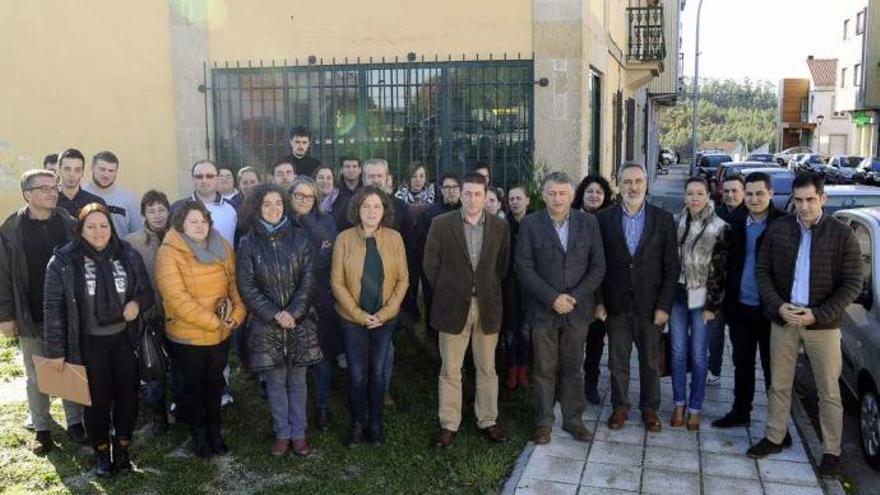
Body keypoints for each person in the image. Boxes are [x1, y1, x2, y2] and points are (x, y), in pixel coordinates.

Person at [747, 174, 861, 479]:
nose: (804, 206)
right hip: (784, 319)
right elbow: (762, 271)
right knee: (779, 384)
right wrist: (777, 306)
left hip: (822, 325)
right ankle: (774, 437)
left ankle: (831, 452)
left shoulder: (841, 235)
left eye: (810, 199)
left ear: (823, 199)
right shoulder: (779, 228)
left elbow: (852, 283)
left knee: (828, 391)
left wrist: (819, 314)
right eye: (798, 200)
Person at [44, 203, 154, 477]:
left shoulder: (127, 254)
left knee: (128, 399)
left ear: (111, 227)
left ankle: (123, 449)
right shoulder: (64, 261)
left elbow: (146, 291)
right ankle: (102, 454)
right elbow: (53, 308)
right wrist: (56, 351)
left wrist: (137, 304)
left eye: (103, 225)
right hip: (88, 346)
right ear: (80, 229)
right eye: (91, 226)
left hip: (124, 342)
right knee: (95, 402)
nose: (98, 231)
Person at [0, 170, 85, 454]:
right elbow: (2, 276)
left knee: (68, 365)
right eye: (45, 188)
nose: (53, 192)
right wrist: (6, 316)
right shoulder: (10, 229)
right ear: (28, 194)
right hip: (30, 311)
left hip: (66, 312)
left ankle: (75, 423)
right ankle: (42, 428)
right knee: (36, 375)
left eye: (54, 187)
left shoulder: (69, 223)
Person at [517, 172, 606, 444]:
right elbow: (524, 267)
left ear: (571, 196)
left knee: (573, 368)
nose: (557, 198)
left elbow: (598, 266)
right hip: (544, 310)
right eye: (552, 193)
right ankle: (544, 422)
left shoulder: (588, 223)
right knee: (544, 369)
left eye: (562, 193)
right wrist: (552, 298)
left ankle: (573, 420)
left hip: (577, 311)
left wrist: (574, 297)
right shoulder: (531, 224)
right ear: (543, 196)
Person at [155, 200, 246, 458]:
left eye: (203, 220)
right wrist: (215, 323)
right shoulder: (170, 251)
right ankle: (198, 434)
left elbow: (234, 285)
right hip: (188, 337)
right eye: (193, 221)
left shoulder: (221, 245)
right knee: (193, 388)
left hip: (221, 333)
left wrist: (238, 313)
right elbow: (176, 299)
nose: (199, 225)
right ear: (180, 224)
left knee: (215, 384)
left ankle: (215, 431)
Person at [425, 173, 510, 448]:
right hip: (452, 305)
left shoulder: (499, 227)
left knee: (487, 368)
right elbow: (430, 265)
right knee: (450, 368)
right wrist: (451, 290)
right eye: (468, 193)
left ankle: (488, 419)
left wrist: (485, 289)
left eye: (478, 194)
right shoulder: (441, 224)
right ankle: (449, 423)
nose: (473, 199)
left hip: (487, 305)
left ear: (486, 197)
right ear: (460, 194)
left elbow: (503, 267)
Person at [237, 183, 322, 456]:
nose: (273, 209)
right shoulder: (249, 242)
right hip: (267, 325)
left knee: (298, 382)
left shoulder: (300, 237)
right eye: (267, 204)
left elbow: (309, 280)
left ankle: (299, 433)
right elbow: (247, 286)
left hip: (299, 322)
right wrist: (274, 314)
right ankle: (282, 434)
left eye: (278, 203)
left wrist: (293, 312)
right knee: (275, 383)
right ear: (257, 208)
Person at [596, 162, 678, 433]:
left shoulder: (663, 220)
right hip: (615, 305)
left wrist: (664, 305)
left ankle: (649, 409)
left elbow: (671, 267)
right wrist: (599, 301)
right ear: (618, 184)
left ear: (646, 184)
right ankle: (620, 407)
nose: (633, 187)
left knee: (650, 362)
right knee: (617, 361)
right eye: (627, 181)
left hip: (650, 306)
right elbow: (595, 264)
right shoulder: (603, 219)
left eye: (638, 181)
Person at [330, 186, 408, 446]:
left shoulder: (395, 238)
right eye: (366, 206)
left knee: (377, 372)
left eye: (376, 206)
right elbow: (337, 282)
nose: (371, 211)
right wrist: (360, 315)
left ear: (384, 210)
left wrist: (385, 314)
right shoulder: (344, 239)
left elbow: (403, 280)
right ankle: (357, 423)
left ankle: (375, 423)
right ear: (357, 210)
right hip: (353, 320)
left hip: (385, 320)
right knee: (357, 374)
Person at [712, 172, 786, 431]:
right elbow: (720, 264)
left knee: (772, 369)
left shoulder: (784, 224)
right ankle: (740, 410)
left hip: (771, 311)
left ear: (771, 194)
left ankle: (778, 425)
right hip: (739, 307)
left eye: (759, 193)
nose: (754, 199)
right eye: (750, 193)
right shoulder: (732, 222)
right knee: (742, 363)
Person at [668, 178, 730, 431]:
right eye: (690, 193)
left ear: (708, 196)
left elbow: (721, 271)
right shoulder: (676, 222)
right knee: (677, 351)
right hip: (678, 294)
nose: (695, 198)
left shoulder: (719, 226)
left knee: (698, 354)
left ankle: (695, 407)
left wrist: (712, 306)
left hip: (702, 295)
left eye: (700, 193)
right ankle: (679, 403)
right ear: (684, 196)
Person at [289, 177, 340, 432]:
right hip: (288, 300)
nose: (303, 200)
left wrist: (300, 261)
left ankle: (322, 406)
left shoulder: (326, 220)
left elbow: (329, 254)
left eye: (308, 196)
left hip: (321, 298)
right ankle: (294, 410)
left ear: (316, 199)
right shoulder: (282, 222)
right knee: (292, 358)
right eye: (298, 195)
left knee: (321, 355)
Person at [125, 190, 172, 432]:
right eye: (151, 210)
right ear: (143, 213)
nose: (157, 215)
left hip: (178, 313)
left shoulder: (179, 236)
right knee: (154, 366)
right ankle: (158, 414)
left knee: (181, 364)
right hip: (149, 314)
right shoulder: (132, 241)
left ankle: (180, 406)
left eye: (161, 209)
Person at [572, 175, 614, 404]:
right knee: (573, 341)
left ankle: (591, 383)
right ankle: (570, 383)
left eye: (599, 192)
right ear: (582, 194)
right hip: (574, 291)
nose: (594, 195)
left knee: (596, 340)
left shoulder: (610, 220)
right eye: (589, 191)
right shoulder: (572, 217)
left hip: (601, 292)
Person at [706, 175, 747, 385]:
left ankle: (742, 375)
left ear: (743, 192)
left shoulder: (750, 217)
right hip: (717, 286)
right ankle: (714, 369)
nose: (730, 195)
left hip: (742, 289)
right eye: (727, 191)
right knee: (714, 332)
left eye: (735, 191)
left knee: (739, 337)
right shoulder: (716, 215)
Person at [416, 173, 462, 341]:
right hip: (435, 275)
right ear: (440, 190)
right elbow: (420, 245)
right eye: (446, 187)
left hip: (461, 276)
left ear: (461, 189)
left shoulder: (468, 212)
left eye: (454, 187)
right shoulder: (430, 214)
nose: (451, 191)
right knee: (435, 315)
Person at [503, 184, 531, 389]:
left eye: (518, 198)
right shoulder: (503, 225)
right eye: (511, 199)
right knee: (511, 331)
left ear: (527, 200)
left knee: (526, 330)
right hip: (509, 287)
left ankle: (524, 369)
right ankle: (512, 371)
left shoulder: (535, 224)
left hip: (530, 287)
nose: (514, 202)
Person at [171, 160, 238, 245]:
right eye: (199, 177)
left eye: (209, 176)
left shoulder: (234, 207)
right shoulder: (177, 208)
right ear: (192, 179)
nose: (204, 180)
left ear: (217, 178)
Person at [83, 151, 143, 237]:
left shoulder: (128, 198)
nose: (106, 175)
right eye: (102, 169)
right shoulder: (81, 193)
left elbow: (137, 233)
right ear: (92, 168)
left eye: (111, 171)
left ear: (116, 172)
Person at [55, 148, 106, 217]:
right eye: (67, 169)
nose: (72, 174)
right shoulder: (49, 200)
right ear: (59, 170)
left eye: (77, 170)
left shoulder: (95, 203)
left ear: (82, 172)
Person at [332, 156, 364, 230]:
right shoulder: (334, 190)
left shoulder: (366, 189)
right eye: (347, 166)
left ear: (360, 170)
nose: (351, 170)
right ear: (341, 170)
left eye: (354, 166)